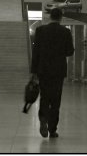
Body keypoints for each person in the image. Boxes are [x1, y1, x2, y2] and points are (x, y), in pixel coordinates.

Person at [31, 8, 75, 138]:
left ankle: (43, 119)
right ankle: (52, 129)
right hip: (58, 71)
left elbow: (36, 53)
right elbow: (69, 52)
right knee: (56, 100)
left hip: (43, 71)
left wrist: (34, 72)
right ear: (61, 18)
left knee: (45, 97)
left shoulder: (40, 31)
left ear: (50, 17)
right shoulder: (65, 32)